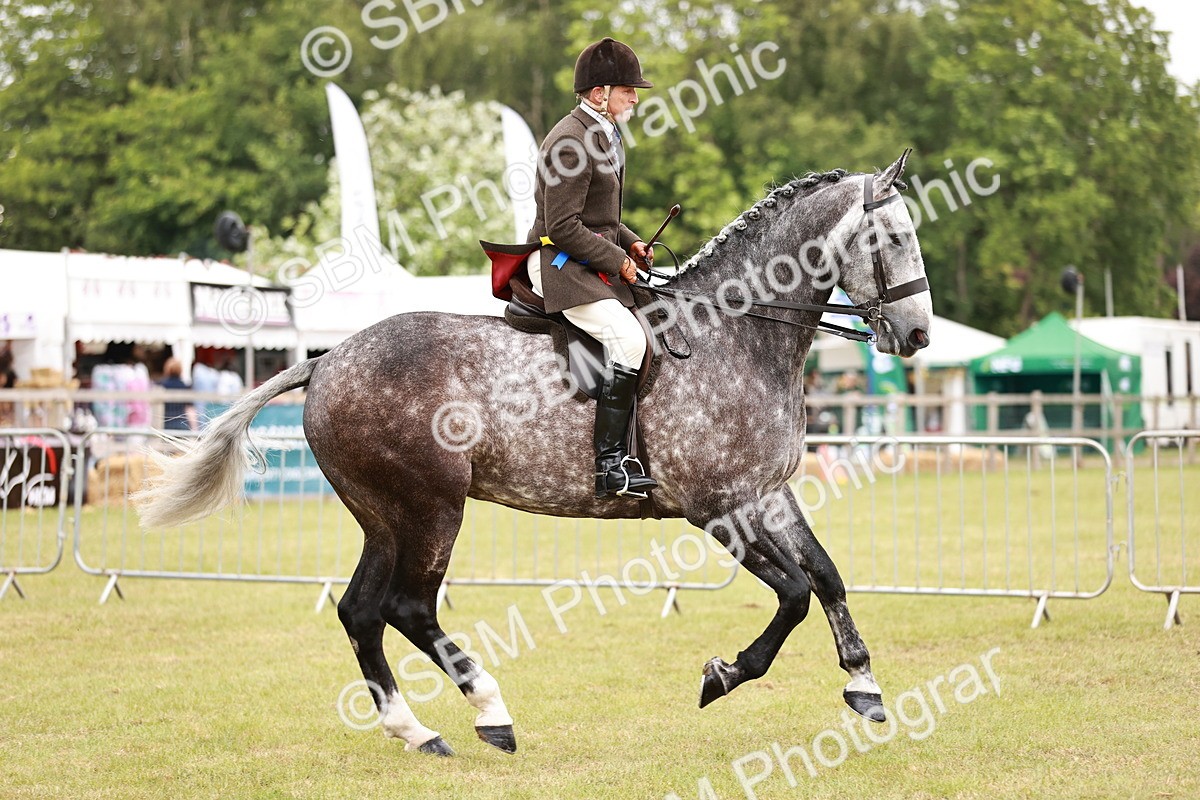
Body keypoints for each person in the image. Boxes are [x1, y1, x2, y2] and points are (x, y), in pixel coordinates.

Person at [528, 37, 658, 499]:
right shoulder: (569, 140)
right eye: (628, 90)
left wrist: (631, 242)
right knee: (628, 338)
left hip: (585, 257)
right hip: (559, 264)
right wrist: (617, 260)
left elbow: (601, 219)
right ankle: (611, 467)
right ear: (601, 92)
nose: (636, 98)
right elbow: (562, 226)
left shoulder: (602, 134)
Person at [160, 357, 198, 432]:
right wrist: (195, 428)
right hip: (182, 424)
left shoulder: (163, 385)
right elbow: (190, 409)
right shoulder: (185, 386)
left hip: (167, 424)